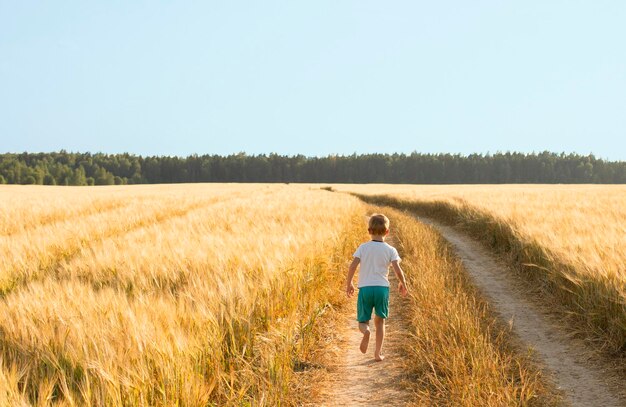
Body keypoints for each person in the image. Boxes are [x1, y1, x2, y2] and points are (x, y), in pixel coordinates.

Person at [346, 213, 408, 361]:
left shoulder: (363, 247)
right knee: (380, 322)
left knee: (363, 321)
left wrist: (349, 283)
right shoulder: (390, 250)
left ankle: (366, 332)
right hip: (382, 289)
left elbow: (352, 266)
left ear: (369, 231)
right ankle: (377, 354)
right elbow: (397, 269)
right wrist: (403, 283)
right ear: (387, 232)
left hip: (365, 289)